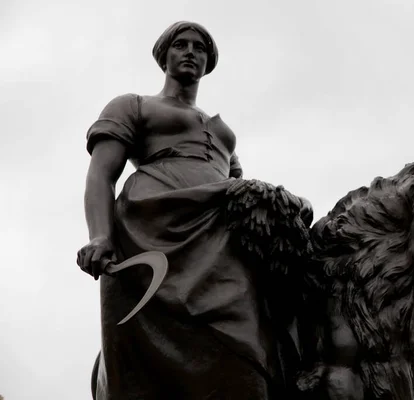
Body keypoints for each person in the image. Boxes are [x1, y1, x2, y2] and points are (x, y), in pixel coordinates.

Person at [76, 21, 307, 399]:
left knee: (249, 324)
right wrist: (99, 235)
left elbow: (239, 193)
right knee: (149, 327)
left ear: (208, 62)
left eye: (199, 48)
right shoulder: (133, 105)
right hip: (154, 224)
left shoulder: (224, 133)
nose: (190, 52)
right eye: (180, 45)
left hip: (217, 231)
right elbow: (101, 175)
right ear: (163, 55)